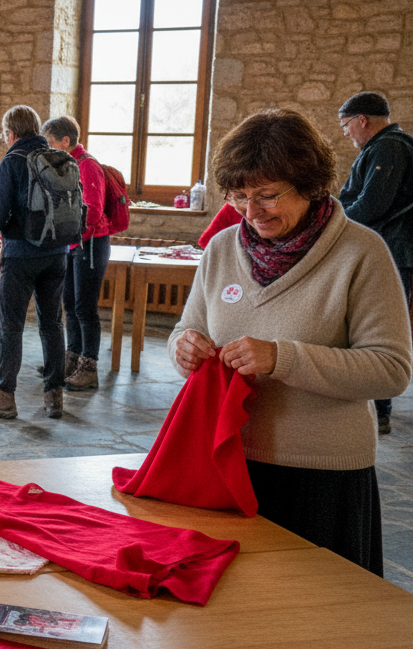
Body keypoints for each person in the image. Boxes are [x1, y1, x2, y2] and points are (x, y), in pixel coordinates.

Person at [171, 108, 409, 575]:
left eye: (267, 196)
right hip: (228, 464)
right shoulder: (222, 249)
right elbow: (187, 328)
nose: (251, 212)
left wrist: (282, 357)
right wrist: (184, 347)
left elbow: (391, 369)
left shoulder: (361, 253)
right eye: (239, 197)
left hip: (322, 477)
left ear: (309, 183)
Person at [0, 105, 70, 419]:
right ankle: (54, 394)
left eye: (4, 134)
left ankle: (4, 394)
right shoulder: (62, 158)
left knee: (10, 326)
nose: (4, 140)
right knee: (52, 324)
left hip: (21, 255)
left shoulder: (12, 161)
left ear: (11, 133)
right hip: (57, 253)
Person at [336, 91, 413, 435]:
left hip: (389, 251)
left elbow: (372, 205)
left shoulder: (390, 146)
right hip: (387, 248)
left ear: (361, 120)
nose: (346, 133)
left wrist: (331, 225)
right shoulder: (384, 146)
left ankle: (378, 410)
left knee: (376, 329)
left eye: (346, 126)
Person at [41, 115, 108, 390]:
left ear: (65, 142)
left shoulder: (87, 165)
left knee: (85, 307)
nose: (46, 149)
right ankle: (71, 357)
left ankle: (88, 366)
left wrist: (61, 221)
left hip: (90, 244)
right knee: (69, 303)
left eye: (50, 143)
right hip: (71, 243)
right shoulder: (65, 165)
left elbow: (93, 210)